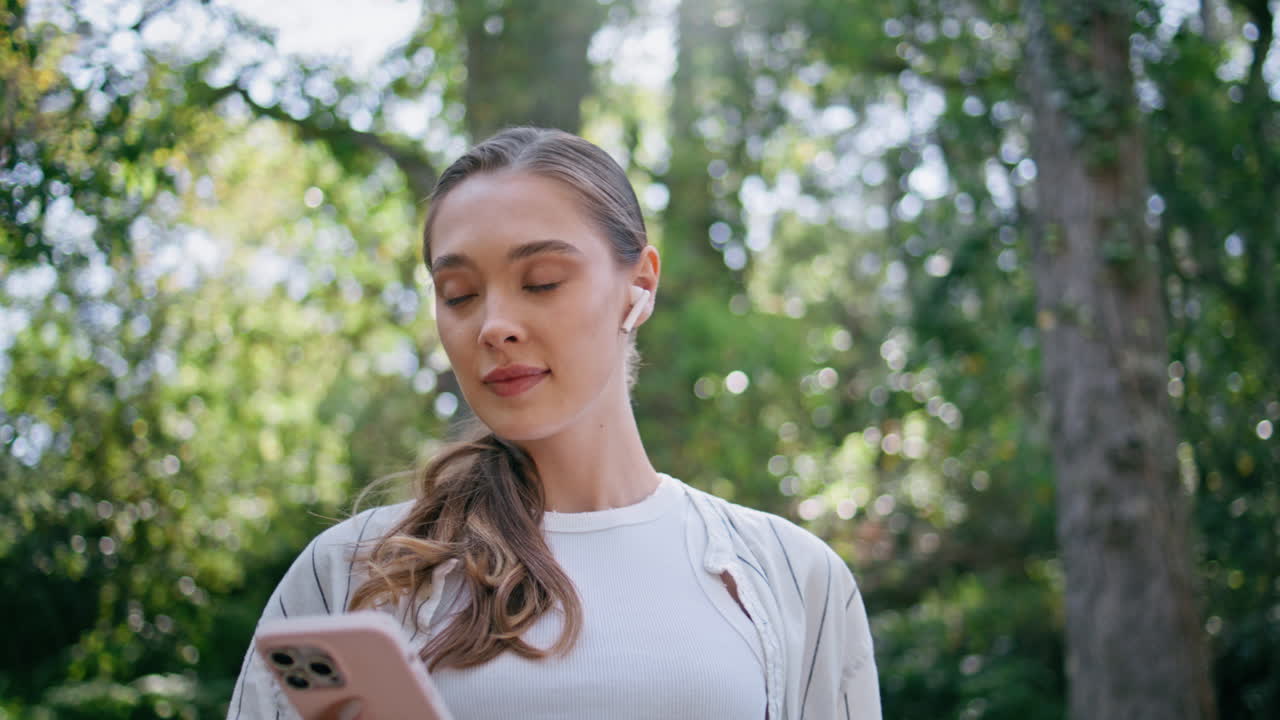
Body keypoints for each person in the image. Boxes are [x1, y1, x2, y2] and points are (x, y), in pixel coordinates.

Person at [227, 127, 880, 720]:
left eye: (541, 282)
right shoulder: (355, 570)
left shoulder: (794, 577)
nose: (493, 326)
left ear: (640, 285)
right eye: (458, 295)